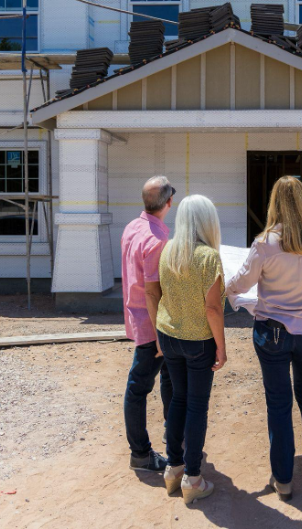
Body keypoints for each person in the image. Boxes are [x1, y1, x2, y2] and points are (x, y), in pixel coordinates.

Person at [227, 176, 302, 501]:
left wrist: (229, 289)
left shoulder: (265, 243)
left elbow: (243, 280)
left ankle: (283, 479)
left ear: (274, 203)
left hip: (273, 333)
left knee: (279, 404)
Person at [155, 195, 227, 504]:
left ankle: (173, 468)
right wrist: (221, 349)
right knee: (197, 405)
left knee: (178, 400)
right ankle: (193, 478)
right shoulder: (209, 256)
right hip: (198, 340)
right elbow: (213, 309)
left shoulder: (168, 249)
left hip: (169, 335)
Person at [121, 175, 176, 473]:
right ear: (168, 202)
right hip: (152, 325)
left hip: (138, 316)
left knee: (167, 377)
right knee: (139, 387)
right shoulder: (156, 240)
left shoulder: (133, 227)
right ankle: (141, 453)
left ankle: (173, 431)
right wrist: (159, 336)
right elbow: (153, 291)